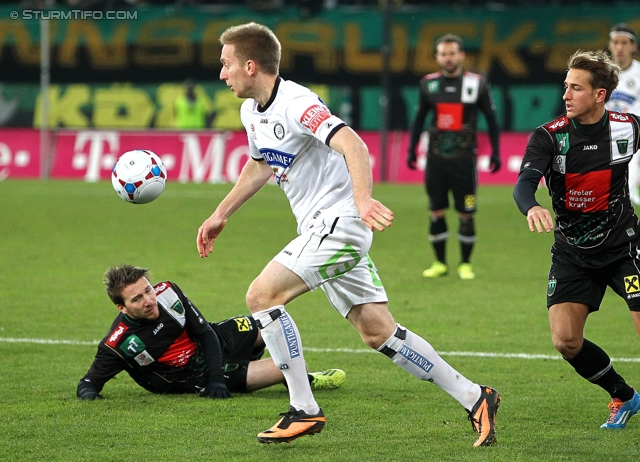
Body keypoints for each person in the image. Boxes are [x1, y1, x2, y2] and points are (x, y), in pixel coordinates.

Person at [196, 22, 500, 447]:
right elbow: (260, 163)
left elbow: (353, 144)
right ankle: (475, 396)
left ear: (251, 66)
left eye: (227, 65)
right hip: (322, 227)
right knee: (379, 332)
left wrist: (361, 200)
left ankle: (303, 408)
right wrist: (220, 213)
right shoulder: (252, 112)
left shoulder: (298, 102)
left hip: (339, 224)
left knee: (262, 297)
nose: (222, 74)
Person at [513, 49, 640, 430]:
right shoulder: (549, 137)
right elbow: (523, 185)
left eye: (576, 88)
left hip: (624, 248)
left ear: (599, 94)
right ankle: (625, 396)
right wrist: (531, 207)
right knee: (566, 341)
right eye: (565, 86)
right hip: (573, 253)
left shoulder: (628, 127)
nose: (566, 95)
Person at [77, 264, 346, 400]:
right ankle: (303, 380)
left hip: (210, 345)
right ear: (121, 307)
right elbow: (88, 384)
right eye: (137, 299)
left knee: (268, 322)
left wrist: (219, 377)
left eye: (148, 290)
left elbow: (205, 333)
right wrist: (90, 395)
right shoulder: (120, 342)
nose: (149, 300)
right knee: (286, 366)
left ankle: (245, 368)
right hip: (195, 375)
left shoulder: (167, 293)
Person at [407, 34, 501, 280]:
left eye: (452, 53)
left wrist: (497, 152)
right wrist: (411, 150)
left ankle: (465, 264)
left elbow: (491, 119)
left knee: (466, 212)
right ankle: (439, 263)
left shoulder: (476, 84)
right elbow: (419, 120)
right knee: (436, 211)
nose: (448, 58)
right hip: (436, 161)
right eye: (443, 54)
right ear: (437, 57)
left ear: (461, 56)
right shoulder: (428, 84)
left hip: (464, 162)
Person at [606, 23, 640, 205]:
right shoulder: (601, 74)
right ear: (610, 44)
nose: (619, 47)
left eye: (624, 43)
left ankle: (630, 196)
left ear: (633, 46)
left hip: (635, 133)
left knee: (631, 157)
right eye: (615, 42)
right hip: (606, 133)